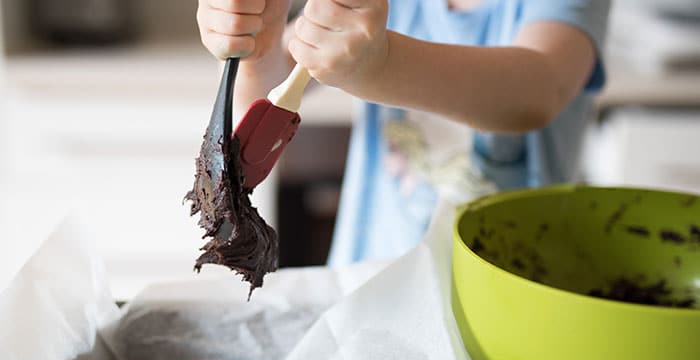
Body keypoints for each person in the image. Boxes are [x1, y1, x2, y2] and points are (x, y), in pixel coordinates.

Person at [196, 0, 610, 266]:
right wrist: (255, 52)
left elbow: (537, 89)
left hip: (515, 296)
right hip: (373, 282)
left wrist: (380, 67)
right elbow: (272, 82)